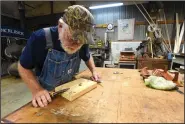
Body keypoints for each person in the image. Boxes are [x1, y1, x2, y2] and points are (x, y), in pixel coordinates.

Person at [18, 5, 100, 108]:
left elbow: (87, 56)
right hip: (48, 95)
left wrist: (94, 71)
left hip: (71, 89)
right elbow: (23, 67)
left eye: (80, 42)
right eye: (72, 39)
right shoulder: (39, 38)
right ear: (60, 26)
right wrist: (37, 90)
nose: (76, 44)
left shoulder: (82, 40)